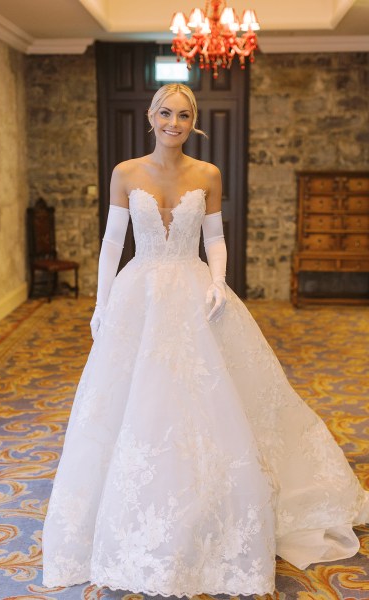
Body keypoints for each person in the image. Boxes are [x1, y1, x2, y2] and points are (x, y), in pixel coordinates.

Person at [42, 83, 369, 597]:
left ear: (194, 121)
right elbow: (111, 244)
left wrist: (218, 282)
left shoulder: (208, 174)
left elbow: (214, 239)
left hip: (196, 290)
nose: (174, 122)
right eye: (166, 113)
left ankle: (216, 505)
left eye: (184, 114)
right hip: (140, 293)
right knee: (137, 403)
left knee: (215, 402)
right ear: (151, 117)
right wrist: (101, 305)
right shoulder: (126, 173)